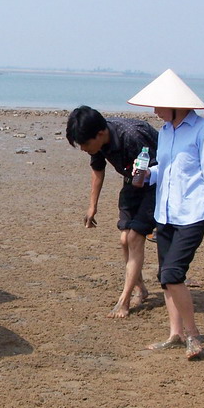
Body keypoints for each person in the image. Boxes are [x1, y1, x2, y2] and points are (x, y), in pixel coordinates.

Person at [128, 69, 204, 360]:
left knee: (174, 273)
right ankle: (175, 334)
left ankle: (193, 335)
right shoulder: (164, 131)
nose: (154, 110)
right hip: (165, 214)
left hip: (193, 214)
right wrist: (147, 175)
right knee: (165, 277)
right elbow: (168, 168)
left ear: (176, 104)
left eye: (158, 104)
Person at [66, 105, 158, 319]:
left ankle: (124, 301)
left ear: (100, 134)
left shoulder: (132, 136)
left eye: (85, 144)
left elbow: (157, 171)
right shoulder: (97, 142)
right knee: (124, 239)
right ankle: (140, 289)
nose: (83, 148)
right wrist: (92, 206)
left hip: (155, 184)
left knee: (135, 237)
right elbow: (97, 171)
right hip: (131, 181)